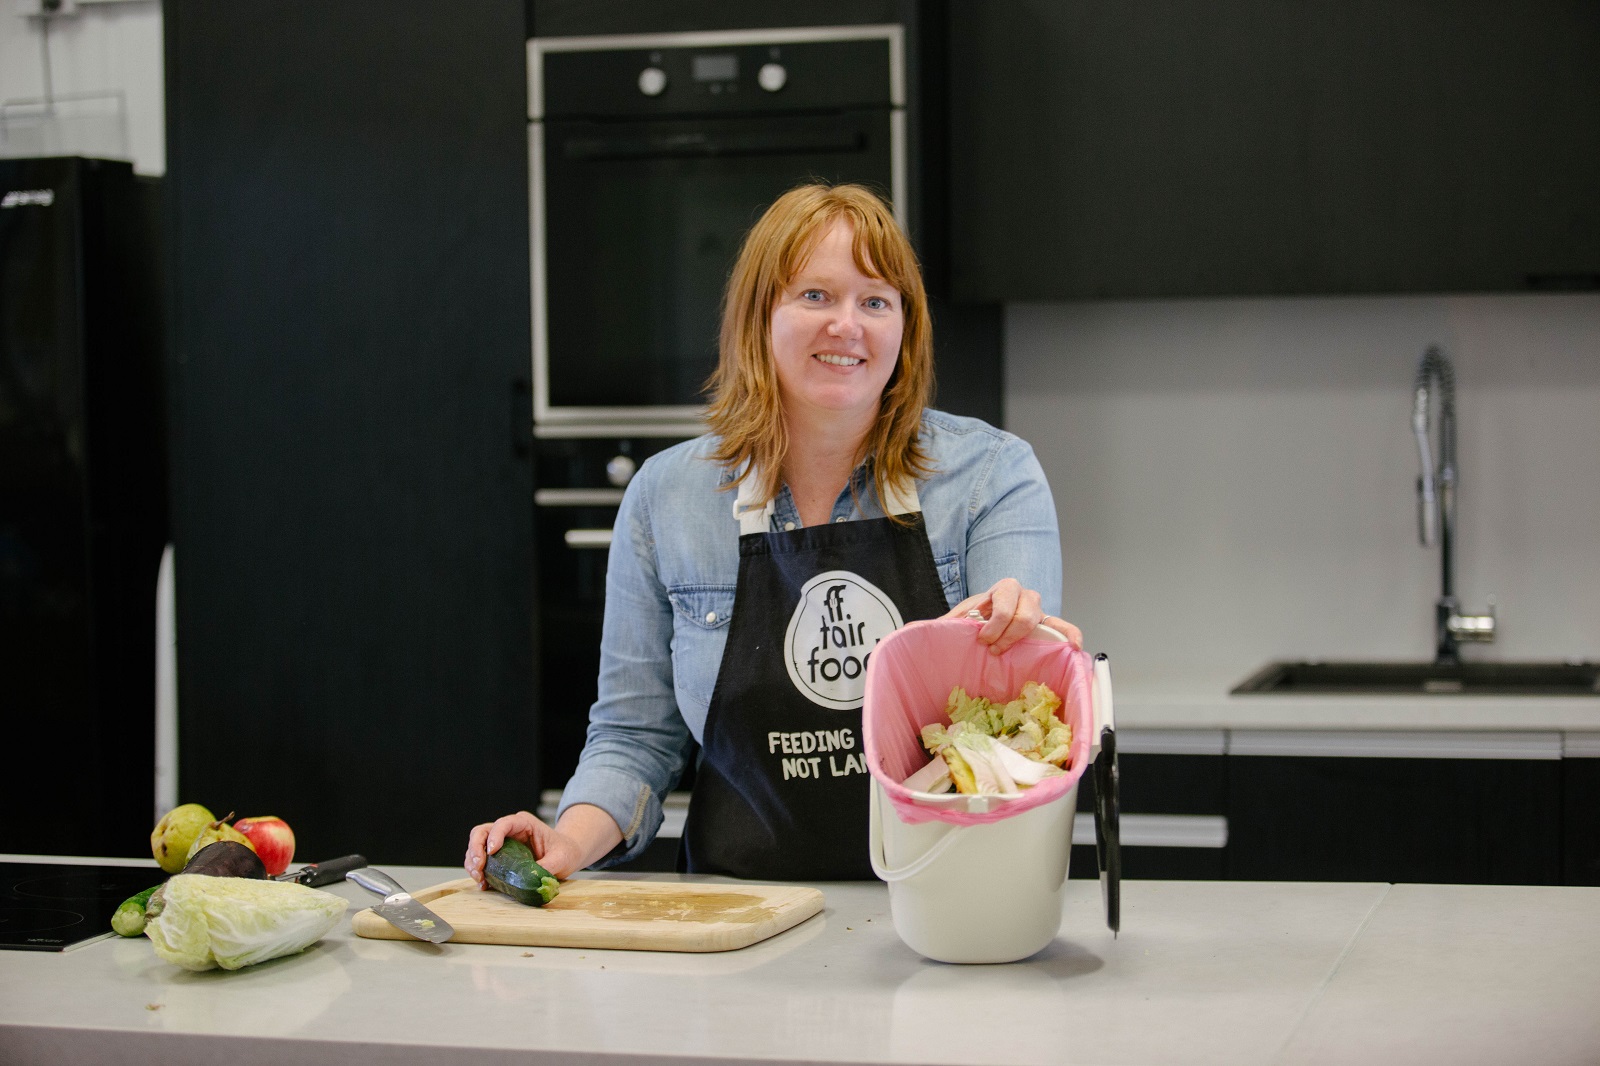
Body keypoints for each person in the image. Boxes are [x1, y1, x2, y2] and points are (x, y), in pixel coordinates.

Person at [466, 182, 1080, 883]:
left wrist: (1000, 651)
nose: (846, 325)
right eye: (815, 296)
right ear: (759, 316)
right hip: (736, 922)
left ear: (905, 330)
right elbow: (633, 739)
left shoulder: (988, 478)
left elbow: (1024, 737)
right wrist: (564, 845)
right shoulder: (666, 498)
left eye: (875, 301)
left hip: (943, 914)